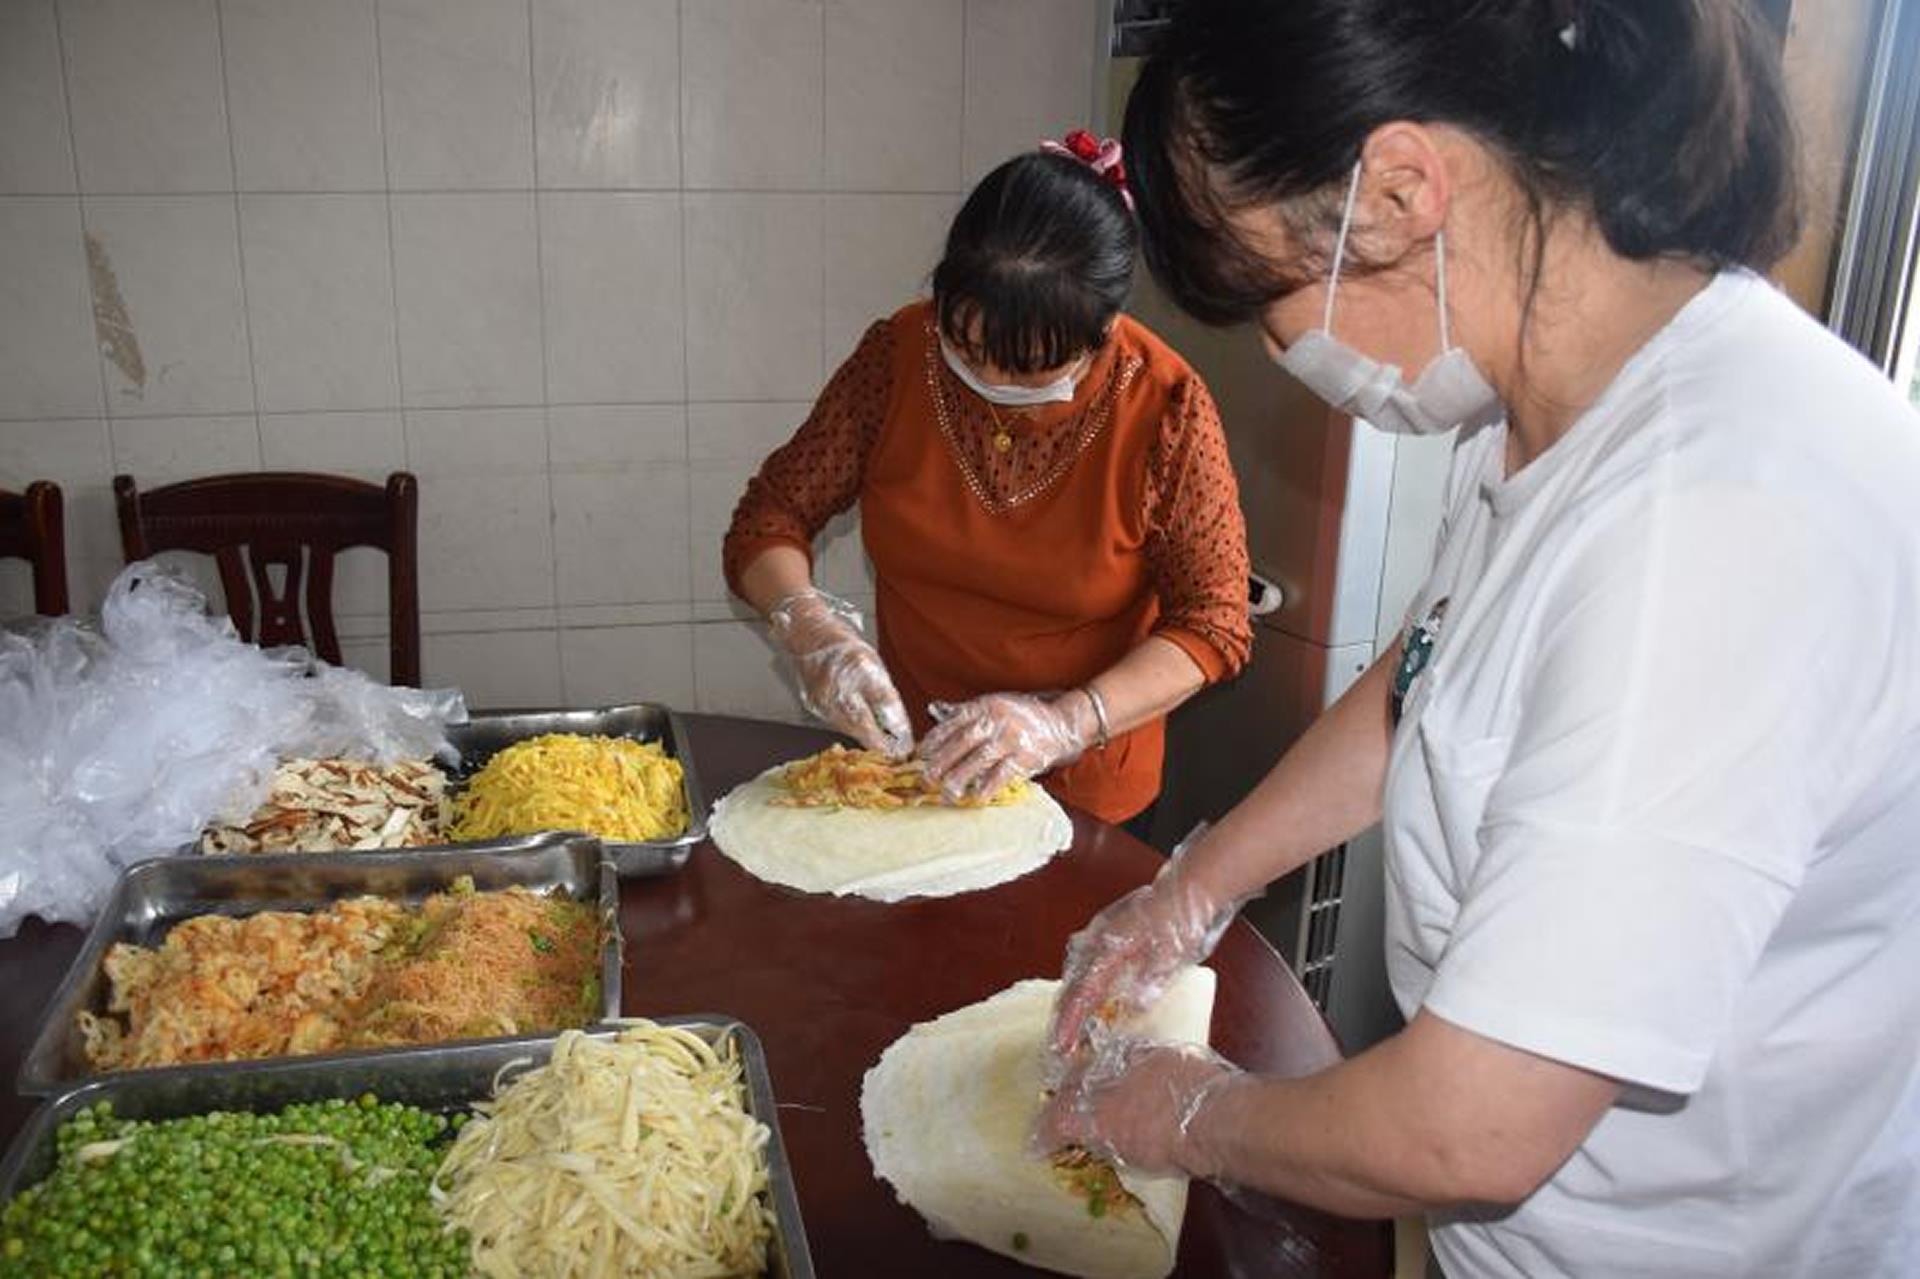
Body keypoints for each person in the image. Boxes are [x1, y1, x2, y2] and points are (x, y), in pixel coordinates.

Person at [1036, 3, 1920, 1276]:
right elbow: (1431, 676)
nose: (1280, 350)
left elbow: (1472, 1124)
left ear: (1398, 191)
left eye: (1262, 295)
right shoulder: (1547, 408)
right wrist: (1198, 883)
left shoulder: (1714, 525)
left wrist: (1181, 1108)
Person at [723, 133, 1252, 833]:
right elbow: (771, 514)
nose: (993, 385)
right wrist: (811, 629)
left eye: (1027, 367)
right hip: (909, 770)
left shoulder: (1164, 406)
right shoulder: (899, 357)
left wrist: (1063, 723)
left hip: (1090, 796)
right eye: (968, 349)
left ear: (1103, 333)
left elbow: (1215, 620)